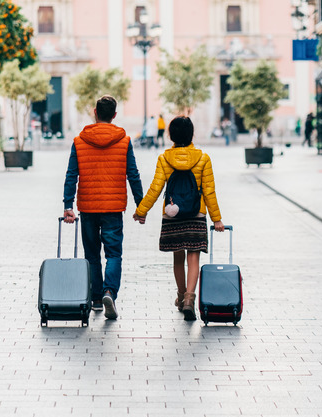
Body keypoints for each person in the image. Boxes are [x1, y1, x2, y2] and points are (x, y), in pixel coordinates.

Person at [132, 116, 225, 321]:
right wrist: (216, 219)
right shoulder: (203, 159)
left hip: (172, 213)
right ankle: (190, 300)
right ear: (192, 134)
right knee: (194, 257)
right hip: (196, 214)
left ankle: (181, 296)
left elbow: (156, 189)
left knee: (178, 257)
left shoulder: (164, 159)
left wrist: (142, 210)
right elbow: (209, 191)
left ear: (171, 135)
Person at [63, 95, 145, 320]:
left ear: (95, 112)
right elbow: (133, 175)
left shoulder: (79, 141)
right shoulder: (124, 140)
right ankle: (110, 291)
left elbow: (72, 174)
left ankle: (97, 299)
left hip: (88, 207)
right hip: (113, 208)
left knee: (92, 255)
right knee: (114, 253)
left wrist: (67, 205)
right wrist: (141, 206)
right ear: (114, 115)